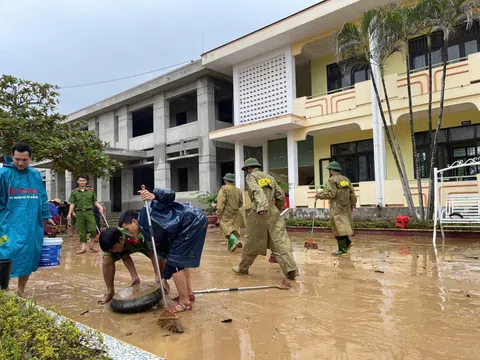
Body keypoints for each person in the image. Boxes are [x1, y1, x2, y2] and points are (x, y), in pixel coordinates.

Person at [138, 186, 207, 313]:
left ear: (132, 221)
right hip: (192, 220)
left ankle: (184, 302)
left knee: (175, 262)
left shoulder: (148, 215)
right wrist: (163, 278)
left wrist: (155, 195)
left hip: (190, 222)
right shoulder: (147, 218)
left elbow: (169, 194)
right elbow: (162, 250)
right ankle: (189, 294)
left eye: (127, 228)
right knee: (180, 261)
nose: (128, 232)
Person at [0, 142, 56, 296]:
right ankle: (3, 291)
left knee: (28, 257)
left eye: (24, 160)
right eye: (17, 159)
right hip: (8, 223)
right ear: (12, 157)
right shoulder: (3, 174)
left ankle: (20, 290)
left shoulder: (35, 175)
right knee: (5, 255)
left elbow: (42, 196)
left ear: (31, 158)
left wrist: (47, 216)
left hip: (32, 223)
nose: (20, 163)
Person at [232, 158, 298, 286]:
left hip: (259, 211)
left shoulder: (251, 177)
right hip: (273, 211)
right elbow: (280, 196)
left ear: (248, 169)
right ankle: (291, 269)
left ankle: (243, 268)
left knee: (252, 241)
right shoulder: (270, 178)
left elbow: (257, 190)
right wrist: (274, 209)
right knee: (279, 241)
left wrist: (262, 206)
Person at [98, 222, 169, 305]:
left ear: (121, 239)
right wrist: (134, 277)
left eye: (113, 248)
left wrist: (158, 276)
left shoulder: (136, 235)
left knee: (161, 257)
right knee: (107, 258)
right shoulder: (115, 246)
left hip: (144, 245)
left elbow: (153, 253)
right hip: (126, 247)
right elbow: (125, 256)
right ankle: (110, 291)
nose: (112, 251)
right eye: (110, 250)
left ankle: (163, 280)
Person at [315, 161, 357, 257]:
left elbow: (331, 194)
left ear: (331, 170)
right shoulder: (346, 180)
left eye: (329, 169)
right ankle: (348, 243)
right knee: (343, 226)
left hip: (337, 206)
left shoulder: (332, 180)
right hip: (346, 206)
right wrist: (352, 205)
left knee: (338, 226)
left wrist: (319, 195)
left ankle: (342, 250)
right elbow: (352, 194)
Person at [67, 176, 104, 254]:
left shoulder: (91, 191)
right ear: (78, 181)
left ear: (86, 181)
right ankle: (83, 248)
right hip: (79, 213)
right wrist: (69, 213)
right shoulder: (74, 192)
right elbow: (72, 203)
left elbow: (95, 201)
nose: (82, 182)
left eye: (83, 180)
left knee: (93, 228)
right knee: (81, 230)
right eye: (80, 180)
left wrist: (100, 207)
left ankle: (92, 245)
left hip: (89, 212)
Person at [217, 173, 245, 252]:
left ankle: (235, 241)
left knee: (225, 228)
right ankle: (231, 248)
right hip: (235, 212)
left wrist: (219, 213)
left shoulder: (224, 188)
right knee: (233, 229)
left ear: (225, 180)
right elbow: (241, 202)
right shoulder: (238, 190)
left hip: (226, 212)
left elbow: (221, 203)